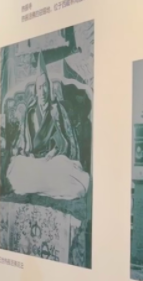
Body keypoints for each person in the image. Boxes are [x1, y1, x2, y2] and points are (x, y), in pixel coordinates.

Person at [7, 52, 89, 200]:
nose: (43, 91)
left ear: (49, 88)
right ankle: (42, 183)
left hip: (53, 160)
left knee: (64, 171)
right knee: (17, 167)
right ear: (36, 91)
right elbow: (23, 142)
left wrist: (52, 153)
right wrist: (30, 154)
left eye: (45, 86)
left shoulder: (57, 110)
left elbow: (65, 138)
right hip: (34, 161)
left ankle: (37, 185)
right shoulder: (30, 112)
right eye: (40, 87)